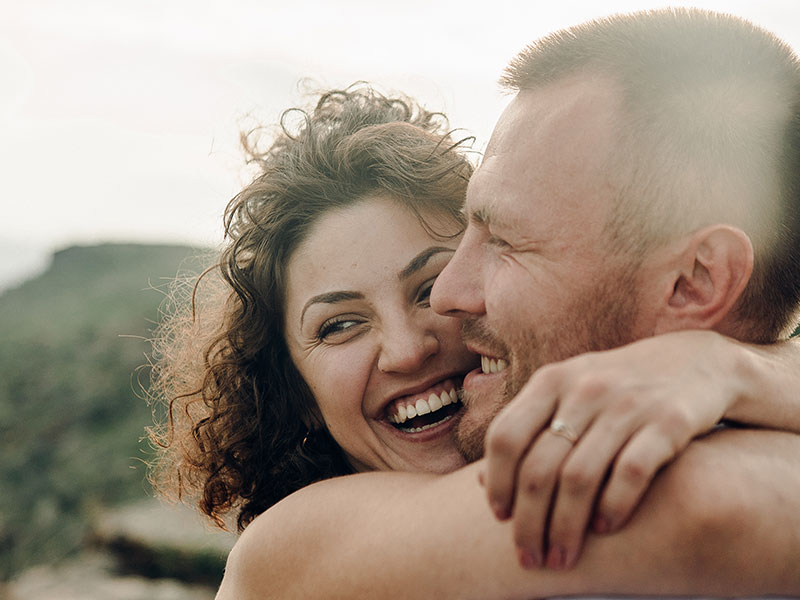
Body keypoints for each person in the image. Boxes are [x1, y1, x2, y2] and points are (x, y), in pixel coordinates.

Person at [217, 8, 800, 599]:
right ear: (294, 389)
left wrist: (742, 367)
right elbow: (709, 512)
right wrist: (735, 364)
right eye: (339, 324)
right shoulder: (292, 549)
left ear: (695, 282)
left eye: (500, 242)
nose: (442, 309)